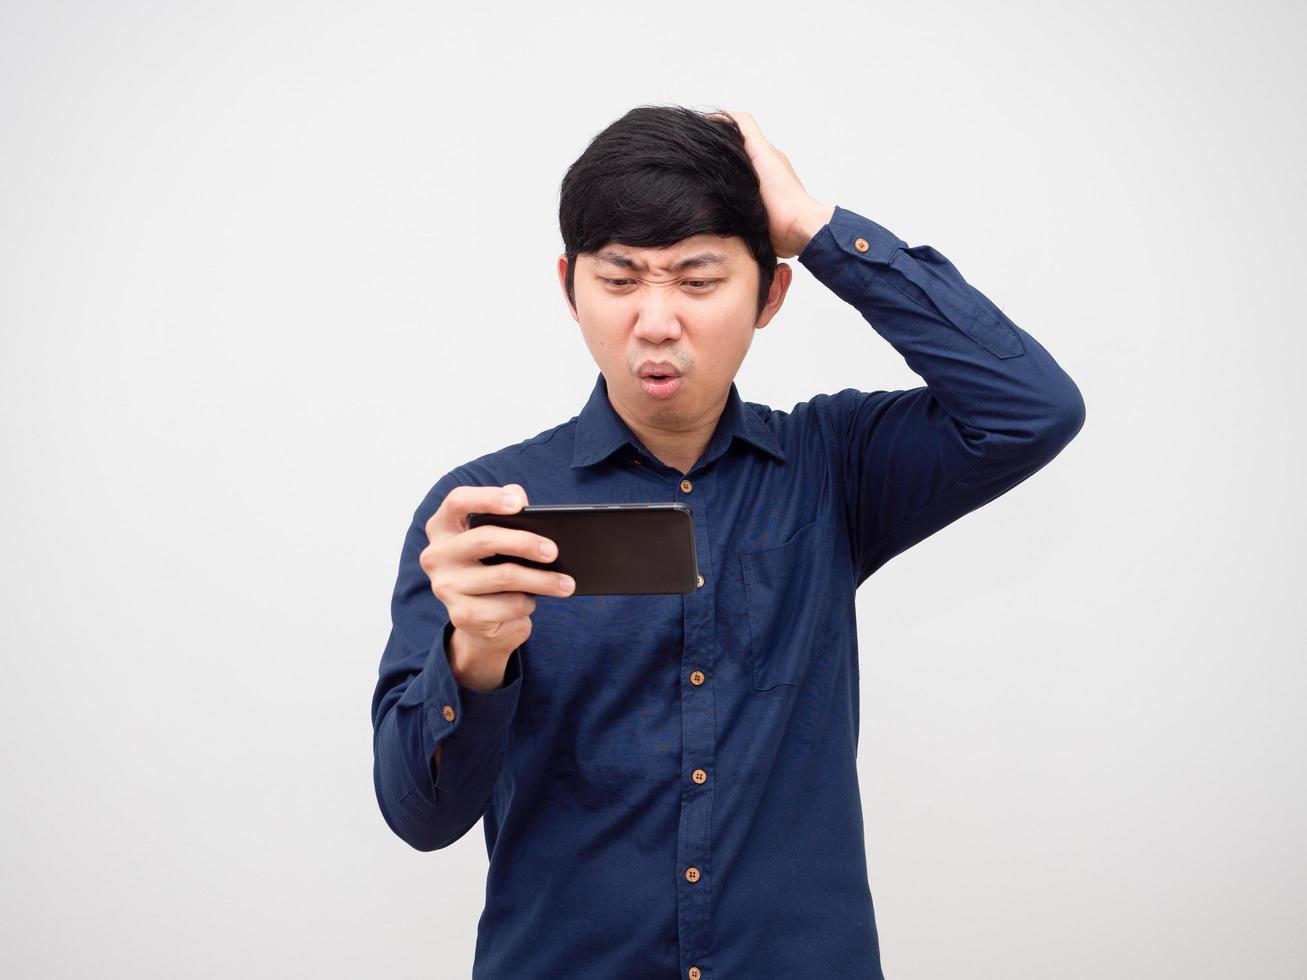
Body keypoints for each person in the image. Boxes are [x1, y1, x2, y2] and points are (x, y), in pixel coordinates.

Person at [370, 105, 1085, 980]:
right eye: (621, 279)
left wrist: (817, 229)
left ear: (769, 294)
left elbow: (1030, 409)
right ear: (569, 287)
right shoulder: (484, 513)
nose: (657, 321)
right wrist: (474, 653)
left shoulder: (833, 468)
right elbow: (419, 814)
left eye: (698, 280)